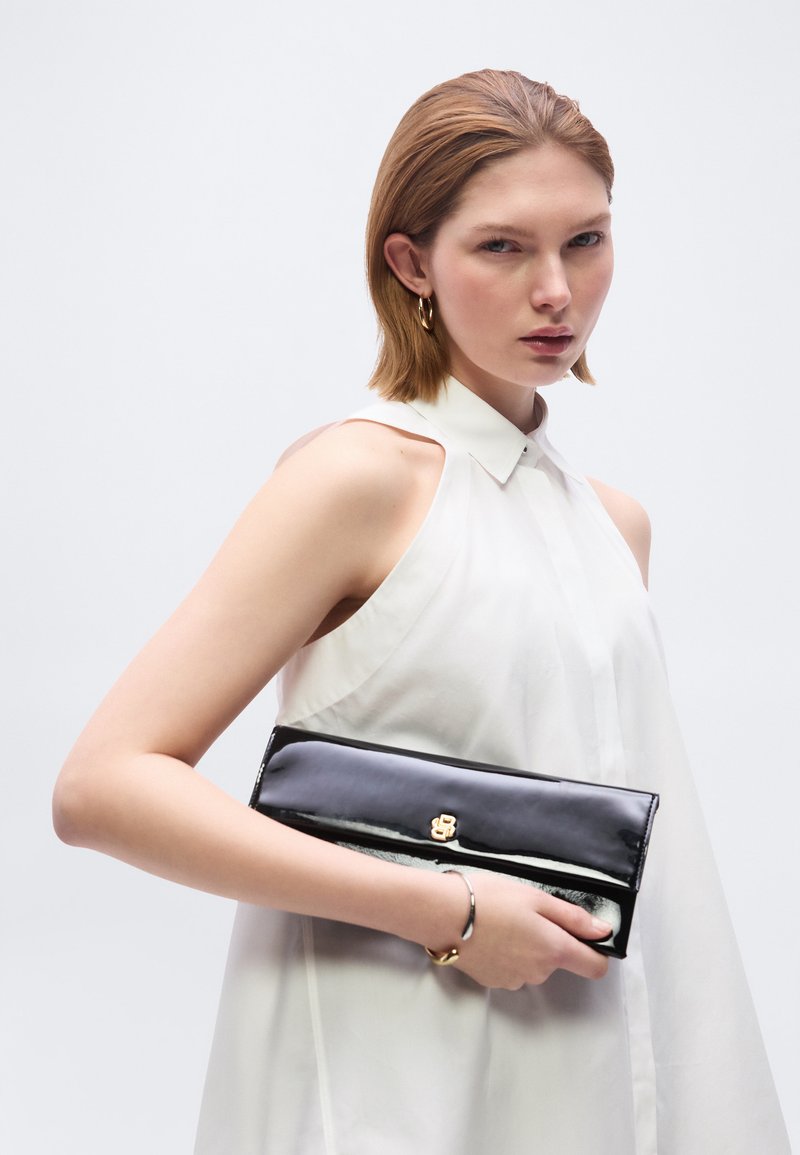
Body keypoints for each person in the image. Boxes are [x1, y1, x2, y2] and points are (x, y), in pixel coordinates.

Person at [53, 69, 789, 1153]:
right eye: (502, 247)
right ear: (411, 264)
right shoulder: (356, 479)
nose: (556, 291)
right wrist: (452, 913)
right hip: (393, 1063)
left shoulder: (612, 524)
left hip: (585, 1059)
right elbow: (104, 785)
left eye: (585, 241)